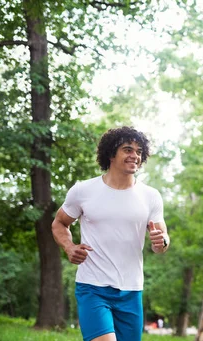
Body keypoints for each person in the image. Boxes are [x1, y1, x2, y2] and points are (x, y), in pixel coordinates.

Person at [52, 126, 170, 341]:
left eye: (139, 151)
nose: (134, 155)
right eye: (127, 149)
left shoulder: (150, 196)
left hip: (131, 289)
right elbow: (59, 223)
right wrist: (69, 247)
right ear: (110, 154)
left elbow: (161, 241)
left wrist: (161, 241)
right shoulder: (83, 191)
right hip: (92, 287)